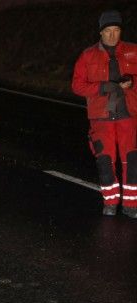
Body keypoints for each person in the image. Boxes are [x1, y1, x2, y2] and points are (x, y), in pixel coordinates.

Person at [72, 10, 137, 218]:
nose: (112, 35)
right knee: (105, 160)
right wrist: (101, 88)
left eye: (116, 30)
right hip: (102, 115)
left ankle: (131, 204)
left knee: (131, 159)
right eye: (107, 31)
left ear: (120, 31)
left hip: (128, 113)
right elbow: (77, 85)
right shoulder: (88, 55)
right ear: (100, 33)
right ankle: (110, 202)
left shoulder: (134, 51)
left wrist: (133, 82)